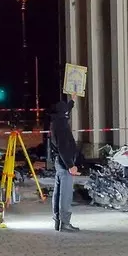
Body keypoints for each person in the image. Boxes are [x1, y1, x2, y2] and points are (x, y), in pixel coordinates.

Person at [50, 93, 81, 232]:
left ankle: (57, 220)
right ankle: (65, 223)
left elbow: (67, 110)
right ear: (63, 114)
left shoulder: (56, 120)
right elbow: (63, 147)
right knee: (66, 193)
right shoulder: (61, 125)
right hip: (64, 163)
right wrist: (70, 165)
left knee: (58, 191)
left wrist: (72, 101)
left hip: (59, 161)